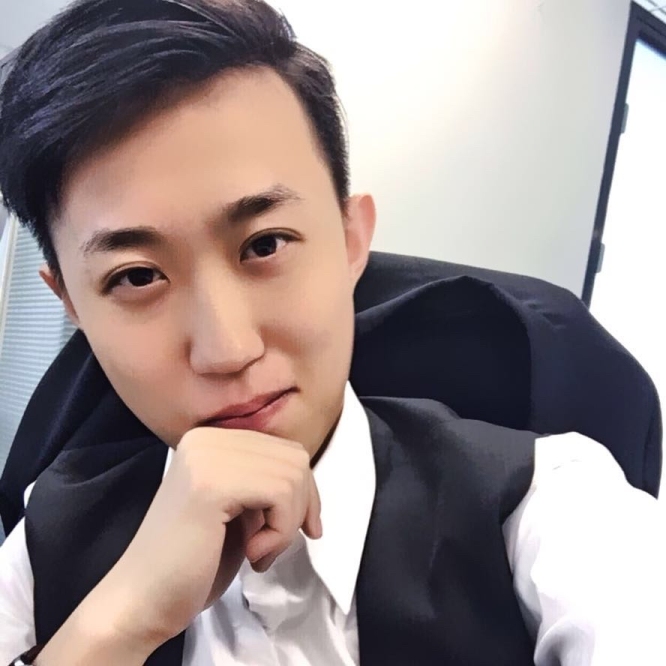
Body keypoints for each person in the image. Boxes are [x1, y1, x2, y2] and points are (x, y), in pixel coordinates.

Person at [0, 1, 664, 664]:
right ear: (72, 305)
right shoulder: (46, 541)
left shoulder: (549, 510)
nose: (228, 349)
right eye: (138, 277)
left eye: (265, 244)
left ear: (351, 243)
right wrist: (118, 625)